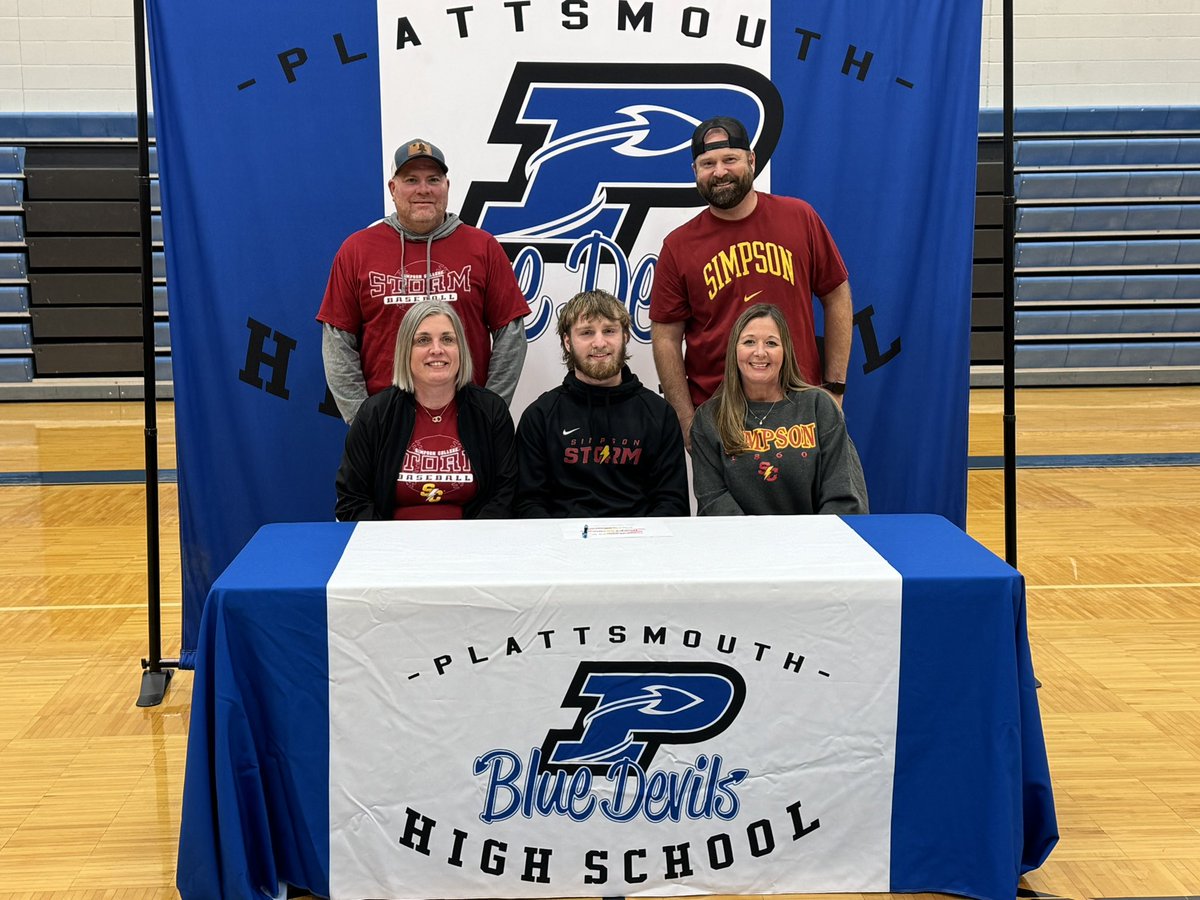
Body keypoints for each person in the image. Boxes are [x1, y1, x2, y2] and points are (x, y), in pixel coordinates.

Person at [650, 115, 853, 449]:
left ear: (752, 160)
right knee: (724, 504)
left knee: (806, 503)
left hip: (799, 406)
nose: (719, 172)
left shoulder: (799, 218)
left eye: (730, 159)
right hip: (719, 413)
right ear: (695, 172)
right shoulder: (678, 246)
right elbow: (666, 338)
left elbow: (838, 297)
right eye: (707, 163)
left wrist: (834, 389)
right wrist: (687, 422)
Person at [318, 138, 531, 423]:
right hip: (386, 423)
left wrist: (488, 412)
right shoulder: (357, 250)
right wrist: (362, 421)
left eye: (433, 179)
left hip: (466, 419)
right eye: (411, 179)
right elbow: (337, 341)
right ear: (393, 189)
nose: (423, 189)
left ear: (446, 186)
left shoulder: (483, 247)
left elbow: (511, 334)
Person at [335, 300, 517, 520]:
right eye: (423, 340)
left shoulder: (491, 411)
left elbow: (506, 494)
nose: (437, 350)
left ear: (461, 350)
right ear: (405, 351)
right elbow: (352, 500)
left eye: (448, 339)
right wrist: (387, 547)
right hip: (392, 548)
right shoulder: (374, 414)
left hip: (471, 546)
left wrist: (473, 544)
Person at [515, 290, 689, 518]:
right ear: (567, 342)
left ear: (625, 336)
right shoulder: (539, 417)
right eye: (587, 333)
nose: (599, 343)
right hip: (564, 550)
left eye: (609, 331)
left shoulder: (659, 413)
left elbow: (672, 503)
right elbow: (528, 504)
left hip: (639, 548)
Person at [690, 304, 868, 516]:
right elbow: (713, 500)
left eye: (771, 343)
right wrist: (759, 545)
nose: (760, 352)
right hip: (741, 545)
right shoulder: (708, 418)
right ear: (734, 351)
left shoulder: (819, 407)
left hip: (814, 545)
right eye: (749, 342)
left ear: (786, 352)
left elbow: (843, 495)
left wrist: (814, 544)